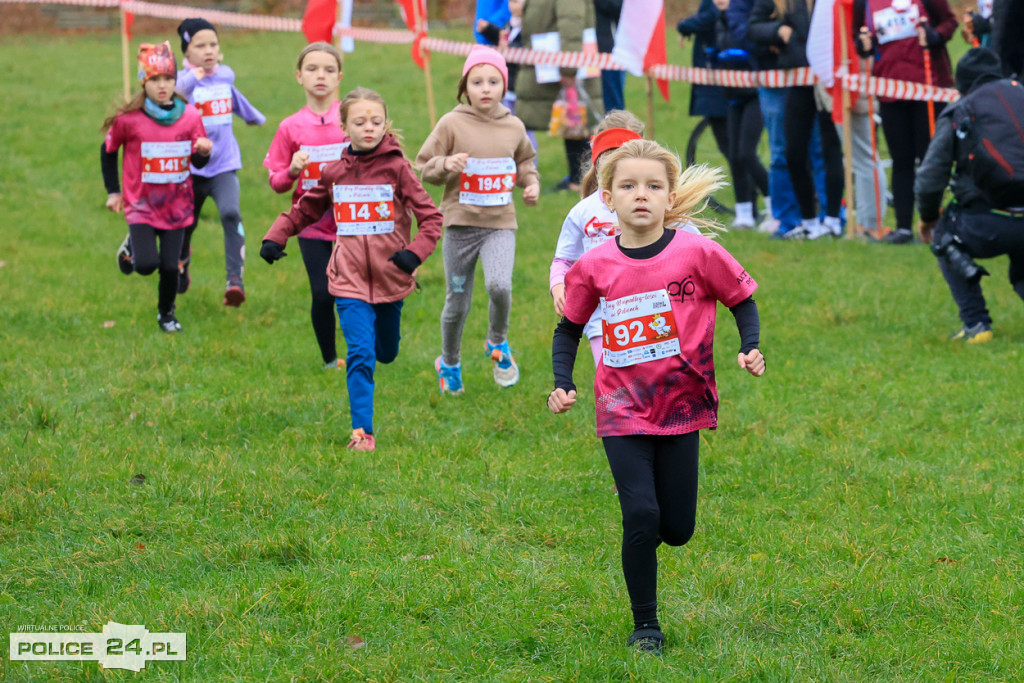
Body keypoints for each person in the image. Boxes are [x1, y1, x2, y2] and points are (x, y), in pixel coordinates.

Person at [548, 138, 766, 655]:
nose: (640, 195)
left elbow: (743, 300)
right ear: (608, 198)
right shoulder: (595, 266)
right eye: (628, 186)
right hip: (620, 408)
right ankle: (646, 624)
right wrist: (563, 381)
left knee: (678, 528)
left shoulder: (697, 252)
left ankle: (656, 531)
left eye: (653, 186)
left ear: (670, 197)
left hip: (681, 406)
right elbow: (568, 330)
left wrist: (751, 347)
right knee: (641, 516)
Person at [261, 88, 443, 452]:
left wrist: (413, 255)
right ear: (344, 127)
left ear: (385, 124)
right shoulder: (335, 172)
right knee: (359, 352)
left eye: (376, 121)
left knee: (385, 351)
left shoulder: (398, 168)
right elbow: (304, 209)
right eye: (359, 122)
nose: (369, 128)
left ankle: (382, 346)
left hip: (392, 276)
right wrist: (276, 236)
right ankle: (363, 433)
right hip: (347, 278)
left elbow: (431, 218)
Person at [415, 46, 540, 393]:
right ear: (464, 87)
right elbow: (424, 167)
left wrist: (530, 185)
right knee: (458, 300)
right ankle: (450, 362)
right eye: (477, 81)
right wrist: (446, 164)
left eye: (493, 81)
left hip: (500, 224)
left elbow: (526, 164)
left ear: (504, 85)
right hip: (459, 227)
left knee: (500, 285)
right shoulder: (451, 123)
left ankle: (497, 342)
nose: (485, 88)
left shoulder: (514, 126)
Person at [915, 48, 1024, 342]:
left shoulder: (960, 110)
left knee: (944, 237)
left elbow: (929, 177)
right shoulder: (1021, 94)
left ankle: (976, 325)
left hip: (987, 222)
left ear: (961, 84)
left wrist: (927, 218)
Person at [103, 42, 212, 333]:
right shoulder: (130, 121)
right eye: (155, 79)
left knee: (170, 266)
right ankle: (133, 246)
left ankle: (167, 314)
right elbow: (108, 149)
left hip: (177, 205)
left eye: (168, 78)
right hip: (140, 204)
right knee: (147, 265)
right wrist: (114, 191)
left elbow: (198, 165)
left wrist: (203, 151)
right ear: (144, 81)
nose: (163, 85)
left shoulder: (189, 116)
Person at [263, 42, 349, 371]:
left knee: (354, 295)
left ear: (339, 76)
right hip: (311, 226)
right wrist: (292, 171)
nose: (320, 76)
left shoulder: (351, 119)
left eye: (329, 70)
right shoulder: (290, 127)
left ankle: (360, 352)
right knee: (323, 293)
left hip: (353, 223)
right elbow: (277, 183)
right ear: (299, 76)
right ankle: (329, 359)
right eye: (312, 69)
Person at [175, 18, 266, 305]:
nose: (208, 51)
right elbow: (176, 94)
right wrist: (196, 75)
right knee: (185, 224)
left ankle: (234, 280)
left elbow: (233, 97)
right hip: (189, 168)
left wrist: (253, 116)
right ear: (186, 52)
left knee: (230, 213)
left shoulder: (224, 77)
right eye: (199, 46)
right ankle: (181, 262)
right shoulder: (180, 82)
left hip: (224, 164)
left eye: (213, 44)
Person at [854, 0, 957, 244]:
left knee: (929, 158)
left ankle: (933, 223)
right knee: (901, 159)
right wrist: (863, 45)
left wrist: (935, 35)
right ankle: (903, 228)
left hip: (928, 88)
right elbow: (859, 37)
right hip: (890, 90)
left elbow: (949, 22)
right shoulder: (865, 2)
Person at [730, 0, 828, 236]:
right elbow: (749, 29)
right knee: (782, 152)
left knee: (819, 150)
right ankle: (787, 219)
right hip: (775, 78)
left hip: (817, 76)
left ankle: (829, 217)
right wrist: (777, 33)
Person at [750, 0, 845, 239]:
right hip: (798, 78)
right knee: (792, 152)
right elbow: (753, 26)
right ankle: (809, 220)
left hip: (828, 79)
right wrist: (777, 31)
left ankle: (833, 219)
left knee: (828, 149)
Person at [515, 0, 603, 193]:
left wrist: (569, 66)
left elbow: (571, 24)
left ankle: (581, 180)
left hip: (563, 69)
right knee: (572, 123)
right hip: (553, 65)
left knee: (578, 122)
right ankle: (577, 179)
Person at [709, 0, 771, 230]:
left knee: (747, 153)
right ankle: (744, 212)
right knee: (734, 154)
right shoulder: (719, 21)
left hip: (755, 93)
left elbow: (753, 49)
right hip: (732, 96)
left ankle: (774, 208)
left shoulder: (745, 18)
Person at [677, 0, 734, 218]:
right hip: (712, 74)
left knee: (732, 147)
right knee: (728, 145)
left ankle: (754, 193)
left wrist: (684, 25)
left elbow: (708, 17)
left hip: (716, 76)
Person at [595, 0, 626, 112]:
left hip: (610, 52)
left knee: (613, 106)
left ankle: (616, 128)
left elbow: (620, 7)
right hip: (587, 49)